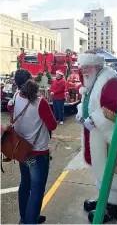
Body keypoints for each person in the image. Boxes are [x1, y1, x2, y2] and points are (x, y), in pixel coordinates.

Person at [76, 52, 117, 223]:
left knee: (112, 171)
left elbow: (116, 108)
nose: (83, 71)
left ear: (97, 66)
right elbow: (87, 102)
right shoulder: (92, 81)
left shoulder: (112, 81)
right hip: (97, 135)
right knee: (101, 169)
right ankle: (104, 200)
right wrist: (80, 112)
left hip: (110, 138)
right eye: (81, 67)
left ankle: (112, 209)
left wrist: (94, 119)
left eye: (86, 67)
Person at [7, 69, 57, 224]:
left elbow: (12, 112)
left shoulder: (16, 96)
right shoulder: (40, 102)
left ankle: (26, 217)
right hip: (38, 152)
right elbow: (52, 125)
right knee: (36, 188)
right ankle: (31, 221)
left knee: (25, 183)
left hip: (22, 149)